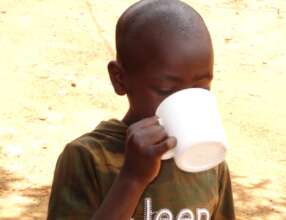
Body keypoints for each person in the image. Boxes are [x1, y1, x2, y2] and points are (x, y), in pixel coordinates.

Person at [47, 0, 235, 219]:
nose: (186, 101)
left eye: (201, 87)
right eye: (166, 90)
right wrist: (132, 178)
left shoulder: (209, 162)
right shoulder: (88, 158)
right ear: (119, 79)